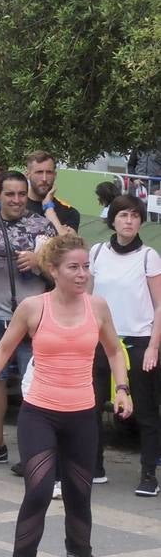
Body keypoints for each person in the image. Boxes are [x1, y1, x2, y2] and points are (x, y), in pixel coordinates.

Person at [0, 234, 132, 557]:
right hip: (39, 413)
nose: (82, 274)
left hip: (82, 415)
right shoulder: (33, 308)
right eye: (73, 267)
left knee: (80, 496)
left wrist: (123, 388)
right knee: (40, 490)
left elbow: (113, 350)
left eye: (85, 267)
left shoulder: (97, 307)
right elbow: (3, 348)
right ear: (54, 270)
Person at [0, 172, 56, 465]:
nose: (16, 200)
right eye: (10, 194)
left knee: (36, 386)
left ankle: (35, 452)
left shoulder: (42, 227)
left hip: (34, 321)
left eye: (21, 194)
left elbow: (58, 274)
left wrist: (39, 263)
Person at [87, 195, 161, 495]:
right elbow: (87, 299)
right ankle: (94, 465)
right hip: (100, 340)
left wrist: (154, 346)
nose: (129, 221)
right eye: (123, 215)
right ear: (113, 219)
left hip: (139, 341)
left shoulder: (148, 256)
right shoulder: (97, 252)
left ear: (141, 221)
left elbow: (159, 305)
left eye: (134, 216)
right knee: (91, 406)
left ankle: (148, 475)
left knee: (145, 409)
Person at [25, 150, 79, 235]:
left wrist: (49, 208)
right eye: (39, 172)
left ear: (55, 175)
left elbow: (68, 245)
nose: (44, 179)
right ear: (27, 175)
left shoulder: (69, 212)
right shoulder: (15, 206)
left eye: (49, 172)